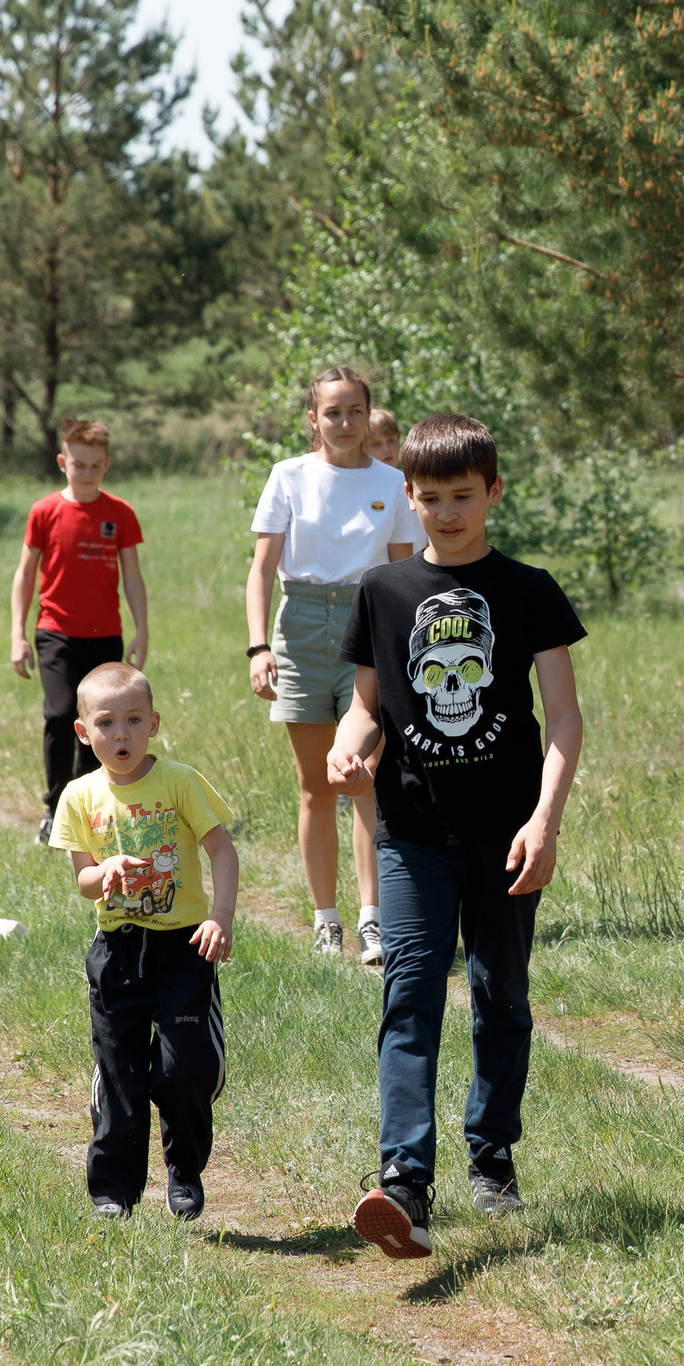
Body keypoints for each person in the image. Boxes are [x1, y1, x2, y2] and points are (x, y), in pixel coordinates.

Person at [326, 413, 585, 1259]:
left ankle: (492, 1153)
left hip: (509, 838)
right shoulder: (383, 591)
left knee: (502, 997)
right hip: (410, 835)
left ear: (494, 493)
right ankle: (405, 1181)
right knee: (409, 997)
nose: (446, 512)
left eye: (463, 496)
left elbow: (565, 722)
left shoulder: (530, 590)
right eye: (430, 497)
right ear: (407, 495)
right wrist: (348, 744)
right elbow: (370, 702)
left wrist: (544, 822)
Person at [245, 368, 424, 962]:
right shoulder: (289, 476)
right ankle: (327, 921)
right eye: (332, 413)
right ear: (312, 419)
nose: (344, 423)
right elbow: (262, 571)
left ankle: (374, 919)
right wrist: (258, 646)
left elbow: (405, 577)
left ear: (369, 415)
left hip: (368, 626)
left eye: (355, 412)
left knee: (363, 779)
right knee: (316, 785)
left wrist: (404, 652)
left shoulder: (393, 482)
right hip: (300, 628)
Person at [49, 662, 239, 1222]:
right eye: (106, 723)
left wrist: (221, 916)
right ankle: (114, 1190)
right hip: (118, 950)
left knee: (186, 1070)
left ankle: (184, 1171)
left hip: (185, 946)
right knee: (118, 1073)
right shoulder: (79, 797)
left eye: (134, 720)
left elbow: (221, 850)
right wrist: (105, 870)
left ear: (153, 724)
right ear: (84, 732)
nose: (122, 734)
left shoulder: (180, 780)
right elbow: (84, 880)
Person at [10, 418, 149, 845]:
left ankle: (87, 805)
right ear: (62, 462)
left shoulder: (119, 513)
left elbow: (133, 578)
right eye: (77, 464)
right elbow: (25, 574)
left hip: (105, 635)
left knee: (100, 722)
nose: (85, 473)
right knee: (59, 714)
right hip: (56, 631)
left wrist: (141, 631)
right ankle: (54, 807)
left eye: (94, 465)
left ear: (106, 465)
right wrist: (17, 632)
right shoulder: (45, 511)